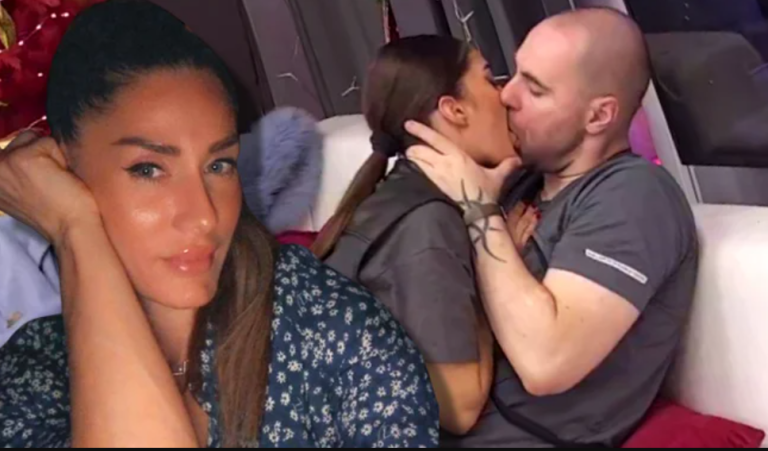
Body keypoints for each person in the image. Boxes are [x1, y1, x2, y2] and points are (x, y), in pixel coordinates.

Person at [0, 1, 439, 447]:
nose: (204, 215)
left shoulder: (325, 323)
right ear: (64, 173)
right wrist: (76, 229)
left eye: (219, 165)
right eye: (148, 169)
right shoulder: (38, 371)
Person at [406, 8, 699, 447]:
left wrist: (479, 210)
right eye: (515, 73)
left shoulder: (635, 196)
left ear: (598, 116)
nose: (507, 95)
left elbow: (546, 363)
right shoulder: (515, 180)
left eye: (536, 88)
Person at [313, 35, 519, 436]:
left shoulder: (399, 195)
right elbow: (457, 409)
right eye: (490, 78)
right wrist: (492, 242)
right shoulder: (428, 221)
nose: (507, 93)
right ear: (454, 109)